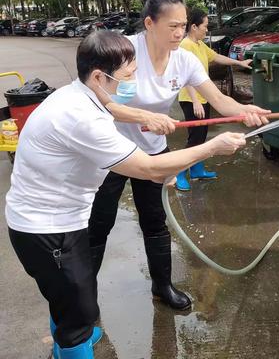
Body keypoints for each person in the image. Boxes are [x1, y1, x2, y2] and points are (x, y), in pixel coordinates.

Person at [5, 30, 246, 359]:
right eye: (128, 76)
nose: (132, 82)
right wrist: (211, 148)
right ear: (98, 76)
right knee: (76, 310)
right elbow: (148, 168)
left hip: (62, 219)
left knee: (69, 301)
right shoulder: (81, 116)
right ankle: (74, 339)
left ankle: (72, 335)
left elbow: (120, 115)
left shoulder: (81, 95)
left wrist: (149, 118)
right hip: (47, 229)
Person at [88, 0, 269, 312]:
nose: (179, 32)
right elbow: (101, 98)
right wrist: (143, 115)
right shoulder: (126, 52)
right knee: (99, 222)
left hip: (153, 151)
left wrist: (246, 111)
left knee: (155, 221)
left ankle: (162, 287)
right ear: (148, 24)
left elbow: (218, 99)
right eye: (172, 26)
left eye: (183, 25)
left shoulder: (184, 59)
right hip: (112, 150)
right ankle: (84, 297)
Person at [176, 8, 253, 192]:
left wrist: (239, 63)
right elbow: (185, 75)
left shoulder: (200, 45)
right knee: (194, 138)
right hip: (190, 99)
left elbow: (217, 57)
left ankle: (197, 170)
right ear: (193, 27)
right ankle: (179, 172)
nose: (206, 30)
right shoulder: (186, 45)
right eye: (204, 26)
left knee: (202, 136)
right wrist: (195, 101)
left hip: (203, 97)